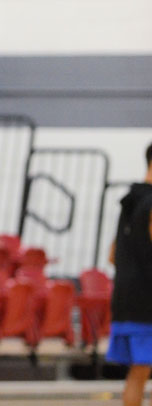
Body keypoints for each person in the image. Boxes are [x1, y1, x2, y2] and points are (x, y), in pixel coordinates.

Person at [107, 143, 152, 406]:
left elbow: (112, 255)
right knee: (140, 372)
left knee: (137, 374)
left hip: (125, 299)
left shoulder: (130, 199)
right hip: (147, 301)